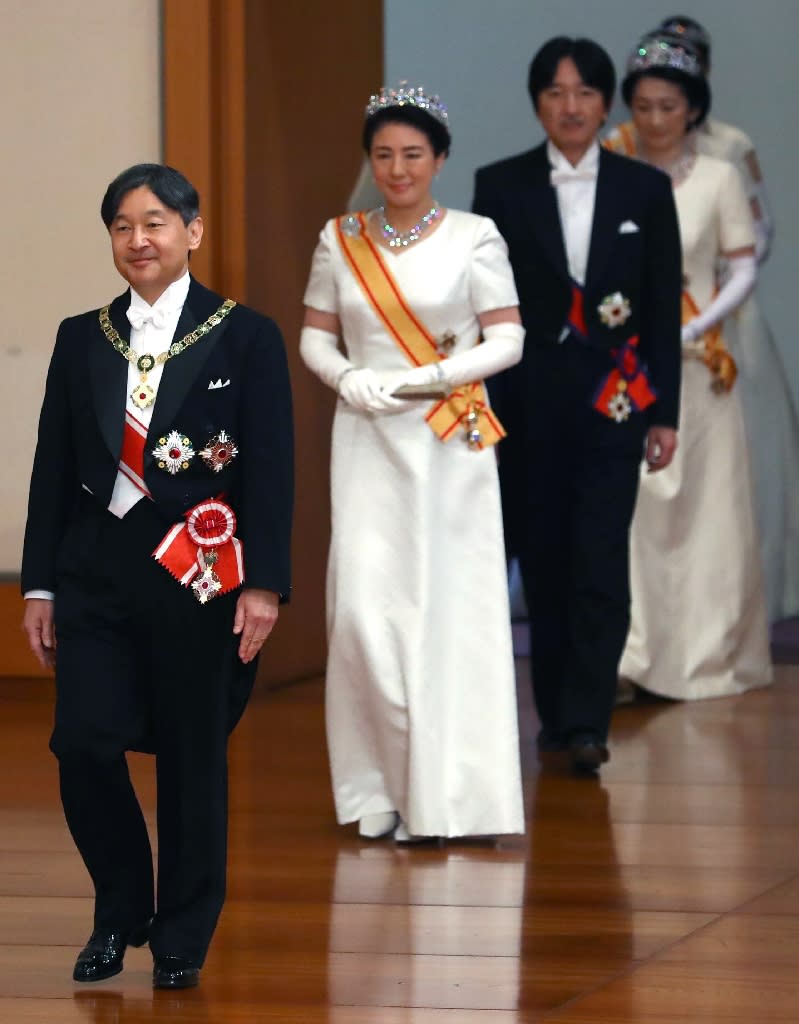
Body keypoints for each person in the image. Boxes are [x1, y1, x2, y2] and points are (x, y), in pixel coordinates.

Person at [21, 164, 293, 988]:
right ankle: (119, 910)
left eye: (155, 223)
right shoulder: (82, 336)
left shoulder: (244, 335)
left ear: (192, 232)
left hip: (199, 579)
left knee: (190, 758)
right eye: (121, 227)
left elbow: (270, 470)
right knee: (83, 743)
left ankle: (181, 935)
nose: (138, 240)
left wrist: (265, 583)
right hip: (97, 577)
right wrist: (39, 585)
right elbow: (51, 468)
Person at [300, 84, 525, 841]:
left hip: (445, 440)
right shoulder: (340, 239)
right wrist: (344, 377)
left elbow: (507, 338)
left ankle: (448, 796)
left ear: (439, 160)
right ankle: (378, 787)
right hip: (366, 438)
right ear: (370, 159)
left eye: (413, 155)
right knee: (363, 612)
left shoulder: (474, 235)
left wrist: (432, 377)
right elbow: (314, 336)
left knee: (444, 614)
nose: (397, 169)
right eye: (384, 154)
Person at [472, 37, 682, 771]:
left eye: (585, 93)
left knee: (598, 562)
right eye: (556, 93)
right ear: (537, 103)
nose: (570, 106)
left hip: (616, 406)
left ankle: (587, 724)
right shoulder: (498, 185)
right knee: (545, 561)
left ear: (604, 103)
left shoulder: (643, 189)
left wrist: (666, 415)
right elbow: (485, 307)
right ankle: (553, 718)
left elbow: (660, 308)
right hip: (528, 407)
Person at [607, 16, 799, 622]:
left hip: (718, 322)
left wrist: (710, 276)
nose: (657, 116)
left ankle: (738, 604)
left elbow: (759, 229)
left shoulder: (730, 146)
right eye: (646, 101)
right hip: (642, 332)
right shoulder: (619, 146)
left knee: (742, 463)